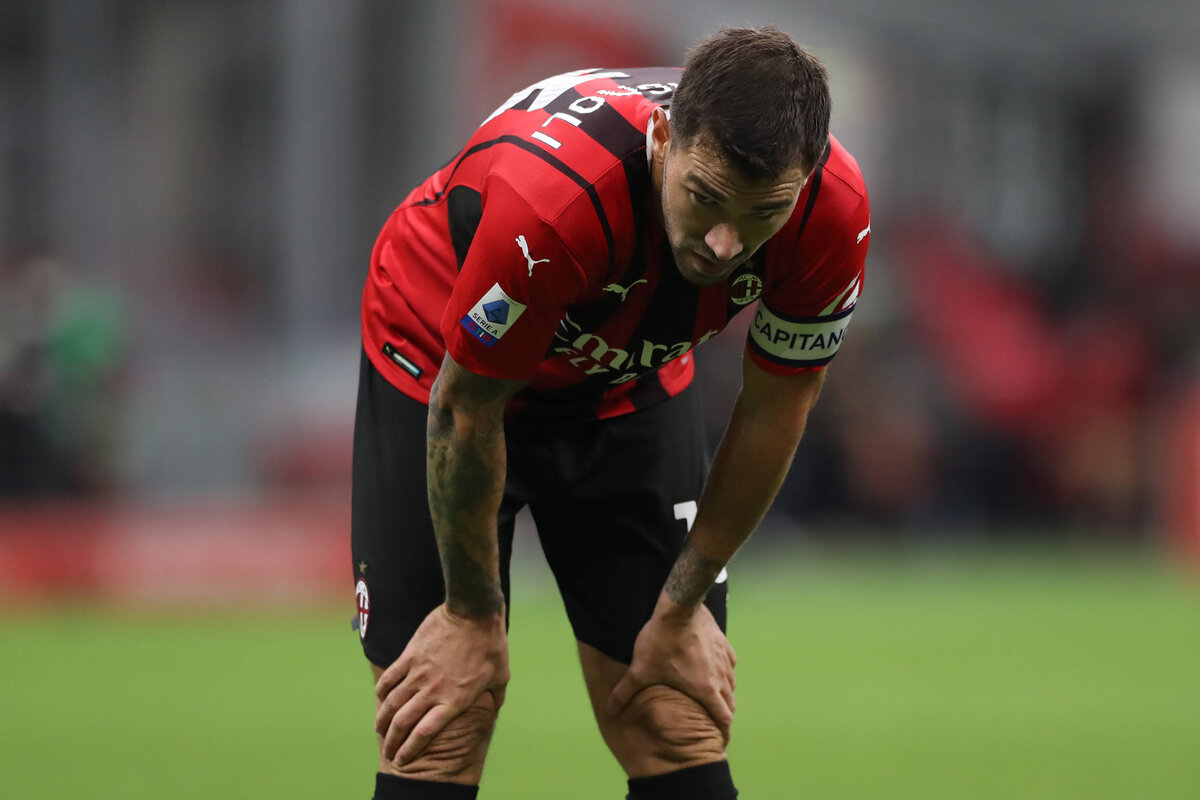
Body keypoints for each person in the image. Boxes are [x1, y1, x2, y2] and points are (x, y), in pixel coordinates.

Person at [352, 26, 870, 799]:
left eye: (762, 212)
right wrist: (469, 614)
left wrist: (683, 599)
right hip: (443, 366)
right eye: (706, 198)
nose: (727, 243)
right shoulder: (553, 205)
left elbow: (776, 406)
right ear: (664, 138)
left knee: (673, 711)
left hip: (624, 379)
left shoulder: (831, 212)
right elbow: (469, 408)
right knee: (443, 722)